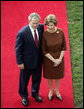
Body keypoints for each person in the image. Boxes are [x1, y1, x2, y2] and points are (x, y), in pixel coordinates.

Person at [15, 13, 44, 106]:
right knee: (24, 80)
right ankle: (24, 96)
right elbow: (18, 49)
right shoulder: (22, 33)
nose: (36, 25)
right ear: (29, 21)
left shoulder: (41, 27)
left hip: (38, 60)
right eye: (33, 23)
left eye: (37, 23)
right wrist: (20, 62)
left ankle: (35, 93)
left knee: (37, 79)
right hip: (26, 62)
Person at [42, 14, 67, 101]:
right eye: (48, 25)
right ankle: (50, 90)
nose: (50, 27)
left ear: (55, 23)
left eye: (51, 25)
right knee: (49, 76)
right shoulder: (44, 34)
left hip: (59, 58)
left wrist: (59, 59)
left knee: (57, 76)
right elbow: (44, 50)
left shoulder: (61, 32)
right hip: (48, 59)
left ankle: (57, 90)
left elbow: (64, 47)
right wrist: (54, 60)